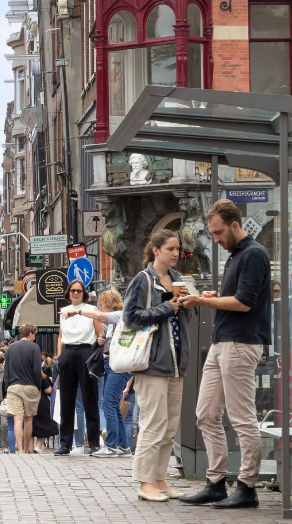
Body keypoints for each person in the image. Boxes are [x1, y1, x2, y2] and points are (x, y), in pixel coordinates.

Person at [180, 200, 271, 509]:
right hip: (222, 342)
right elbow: (239, 298)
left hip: (241, 343)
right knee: (205, 413)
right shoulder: (235, 256)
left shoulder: (254, 254)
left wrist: (202, 303)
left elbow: (245, 303)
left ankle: (247, 487)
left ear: (234, 225)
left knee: (242, 418)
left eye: (219, 233)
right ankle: (216, 482)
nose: (216, 239)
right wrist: (215, 296)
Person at [111, 230, 191, 501]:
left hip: (176, 362)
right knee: (153, 423)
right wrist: (168, 307)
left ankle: (160, 479)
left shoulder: (178, 279)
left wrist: (185, 303)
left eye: (177, 249)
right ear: (155, 250)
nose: (176, 253)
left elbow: (182, 320)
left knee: (169, 426)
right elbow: (131, 317)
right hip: (152, 363)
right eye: (170, 248)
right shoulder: (143, 280)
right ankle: (145, 482)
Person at [62, 289, 133, 458]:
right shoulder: (116, 321)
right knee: (114, 405)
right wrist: (103, 340)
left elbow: (99, 317)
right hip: (112, 363)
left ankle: (111, 446)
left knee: (108, 403)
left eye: (101, 305)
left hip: (118, 365)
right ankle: (123, 445)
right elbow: (110, 338)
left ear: (109, 304)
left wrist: (77, 311)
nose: (100, 308)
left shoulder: (119, 315)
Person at [55, 279, 103, 456]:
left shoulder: (91, 310)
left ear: (84, 293)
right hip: (68, 353)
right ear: (68, 293)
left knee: (90, 399)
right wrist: (60, 357)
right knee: (66, 401)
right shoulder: (64, 312)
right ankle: (65, 444)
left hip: (85, 352)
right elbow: (60, 336)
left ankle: (93, 443)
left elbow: (100, 333)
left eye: (79, 291)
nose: (75, 293)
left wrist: (98, 347)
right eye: (73, 290)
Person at [3, 323, 42, 454]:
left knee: (17, 419)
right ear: (30, 334)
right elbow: (37, 370)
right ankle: (26, 449)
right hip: (30, 385)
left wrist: (7, 386)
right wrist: (38, 387)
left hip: (14, 386)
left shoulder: (11, 347)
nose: (35, 338)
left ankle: (19, 450)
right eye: (34, 335)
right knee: (28, 419)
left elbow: (6, 370)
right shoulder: (34, 347)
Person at [31, 361, 57, 452]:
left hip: (28, 402)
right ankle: (38, 447)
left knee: (30, 427)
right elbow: (48, 390)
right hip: (41, 402)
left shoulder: (25, 375)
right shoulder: (40, 376)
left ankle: (29, 449)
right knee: (47, 425)